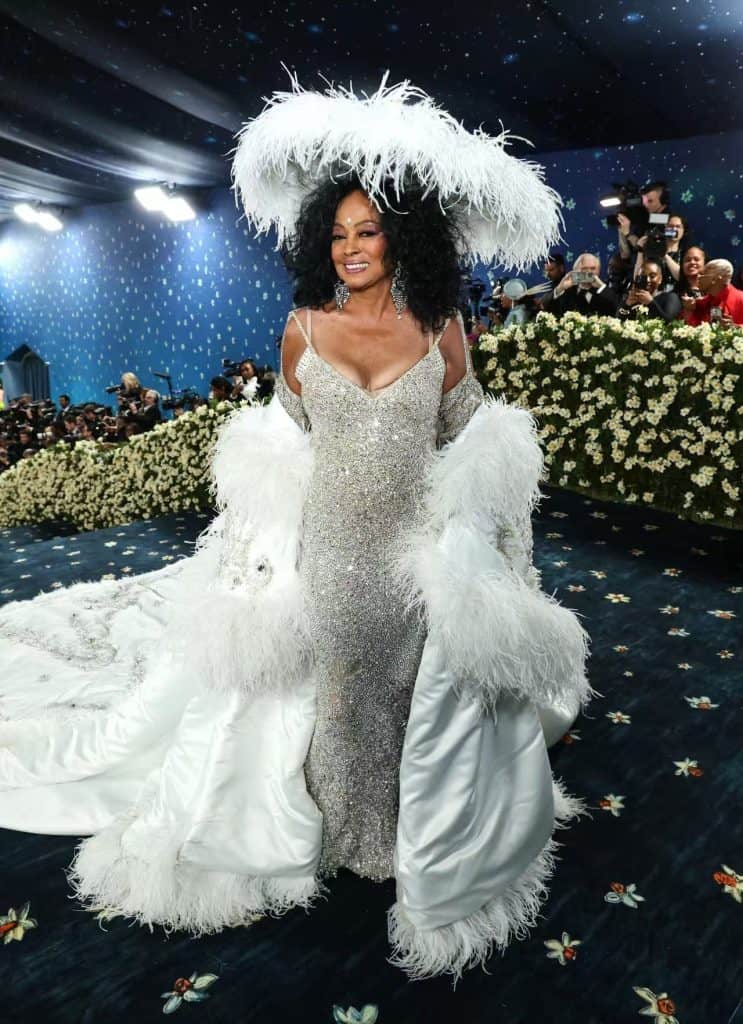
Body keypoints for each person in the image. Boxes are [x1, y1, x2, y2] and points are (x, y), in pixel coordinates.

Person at [0, 76, 587, 981]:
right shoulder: (301, 328)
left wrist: (491, 543)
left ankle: (406, 830)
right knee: (331, 689)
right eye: (337, 234)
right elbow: (282, 443)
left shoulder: (442, 327)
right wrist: (255, 561)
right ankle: (334, 831)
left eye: (368, 231)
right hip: (325, 550)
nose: (350, 248)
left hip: (411, 557)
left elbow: (469, 442)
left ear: (401, 236)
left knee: (409, 692)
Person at [546, 253, 620, 317]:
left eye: (593, 269)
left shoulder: (605, 290)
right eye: (584, 268)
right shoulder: (565, 290)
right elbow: (548, 309)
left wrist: (601, 287)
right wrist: (560, 288)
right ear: (575, 271)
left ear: (599, 271)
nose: (589, 272)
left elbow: (617, 309)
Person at [682, 258, 743, 326]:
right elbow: (692, 327)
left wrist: (735, 327)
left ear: (715, 279)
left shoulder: (740, 299)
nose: (698, 277)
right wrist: (688, 310)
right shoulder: (702, 303)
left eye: (703, 274)